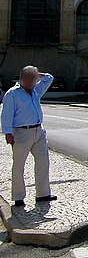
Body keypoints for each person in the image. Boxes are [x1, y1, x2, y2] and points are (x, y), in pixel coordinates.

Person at [1, 66, 57, 207]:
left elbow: (49, 78)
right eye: (31, 78)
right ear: (23, 79)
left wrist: (38, 74)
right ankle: (18, 197)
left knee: (43, 162)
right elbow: (6, 114)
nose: (35, 81)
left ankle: (43, 194)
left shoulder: (36, 91)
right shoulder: (12, 94)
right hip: (21, 133)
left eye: (35, 78)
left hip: (38, 131)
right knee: (19, 165)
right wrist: (8, 133)